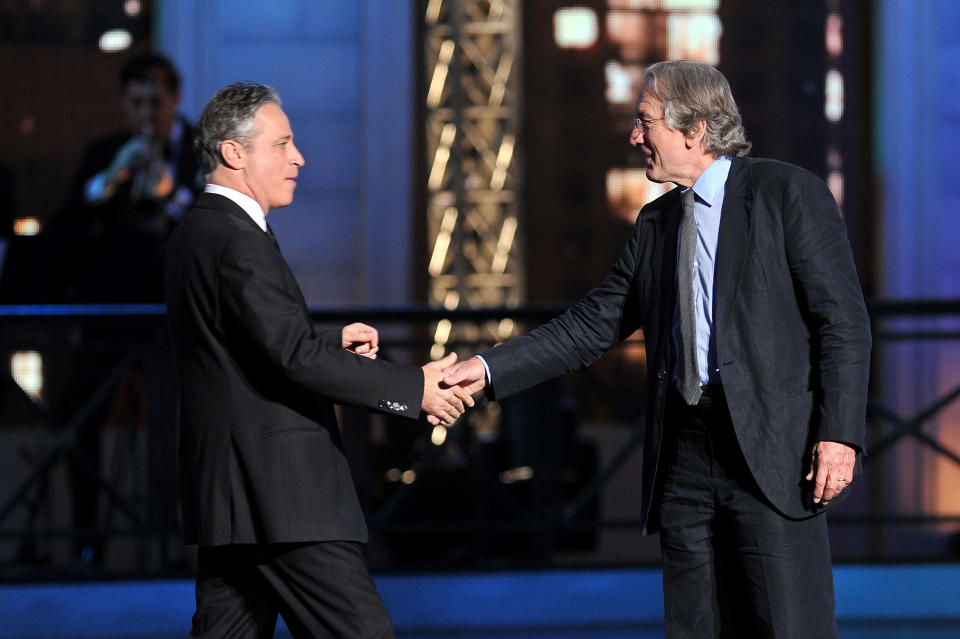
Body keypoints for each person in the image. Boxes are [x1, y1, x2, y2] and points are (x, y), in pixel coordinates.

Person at [442, 60, 871, 638]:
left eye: (645, 122)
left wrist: (838, 433)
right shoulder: (655, 222)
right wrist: (488, 367)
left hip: (773, 453)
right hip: (684, 459)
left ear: (693, 130)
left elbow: (842, 322)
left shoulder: (786, 194)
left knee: (788, 627)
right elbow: (591, 325)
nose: (634, 136)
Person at [163, 82, 476, 638]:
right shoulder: (236, 238)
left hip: (233, 498)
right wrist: (413, 389)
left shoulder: (196, 230)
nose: (298, 157)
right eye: (282, 144)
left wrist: (327, 345)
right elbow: (292, 356)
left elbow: (247, 348)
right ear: (234, 153)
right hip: (284, 499)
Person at [59, 52, 202, 233]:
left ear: (175, 98)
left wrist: (172, 194)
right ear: (123, 102)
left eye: (156, 102)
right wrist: (109, 179)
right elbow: (68, 224)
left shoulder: (206, 149)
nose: (146, 113)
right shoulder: (103, 152)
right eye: (136, 102)